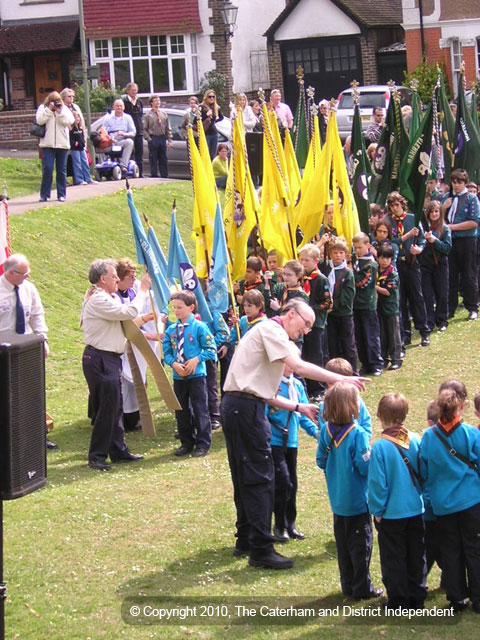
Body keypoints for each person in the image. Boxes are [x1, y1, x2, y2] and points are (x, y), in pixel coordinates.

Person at [221, 298, 368, 570]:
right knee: (260, 478)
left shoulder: (270, 335)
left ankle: (246, 539)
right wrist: (342, 379)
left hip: (241, 407)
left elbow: (267, 393)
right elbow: (298, 368)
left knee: (245, 475)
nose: (307, 331)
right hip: (245, 409)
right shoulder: (272, 330)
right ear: (290, 314)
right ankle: (261, 549)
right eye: (306, 324)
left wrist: (299, 406)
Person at [81, 259, 150, 470]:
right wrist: (143, 291)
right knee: (106, 409)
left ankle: (118, 451)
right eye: (114, 276)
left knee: (115, 407)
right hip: (100, 358)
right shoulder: (99, 299)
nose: (118, 280)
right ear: (103, 279)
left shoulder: (105, 296)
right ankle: (97, 456)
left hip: (109, 358)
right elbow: (128, 313)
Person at [317, 382, 382, 600]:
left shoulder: (326, 430)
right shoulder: (358, 434)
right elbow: (364, 467)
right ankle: (363, 588)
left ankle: (347, 585)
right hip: (357, 502)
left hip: (337, 501)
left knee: (343, 547)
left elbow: (320, 460)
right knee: (361, 547)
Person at [420, 380, 480, 613]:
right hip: (471, 501)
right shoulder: (470, 434)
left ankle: (456, 598)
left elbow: (424, 470)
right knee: (474, 548)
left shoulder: (428, 437)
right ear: (459, 408)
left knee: (451, 551)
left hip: (442, 505)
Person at [368, 393, 427, 611]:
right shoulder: (415, 439)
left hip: (391, 513)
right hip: (415, 507)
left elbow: (377, 484)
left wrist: (377, 510)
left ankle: (399, 600)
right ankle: (417, 596)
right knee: (416, 555)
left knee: (394, 558)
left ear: (380, 415)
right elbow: (424, 472)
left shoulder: (380, 447)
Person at [0, 253, 56, 449]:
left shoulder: (28, 289)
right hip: (4, 351)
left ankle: (38, 436)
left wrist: (43, 339)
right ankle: (10, 438)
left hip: (26, 348)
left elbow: (37, 315)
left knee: (32, 394)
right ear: (11, 273)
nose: (28, 277)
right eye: (25, 274)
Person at [268, 361, 318, 543]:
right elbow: (265, 414)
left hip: (292, 442)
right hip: (275, 441)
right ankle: (279, 525)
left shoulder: (296, 385)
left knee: (293, 484)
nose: (291, 366)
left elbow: (304, 414)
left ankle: (291, 524)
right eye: (287, 362)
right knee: (283, 483)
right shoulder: (271, 384)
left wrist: (316, 432)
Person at [162, 291, 217, 457]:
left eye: (180, 307)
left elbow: (211, 349)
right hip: (179, 376)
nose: (176, 311)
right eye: (174, 308)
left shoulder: (200, 327)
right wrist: (174, 364)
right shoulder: (172, 330)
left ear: (191, 307)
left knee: (200, 409)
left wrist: (196, 360)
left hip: (197, 376)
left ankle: (203, 443)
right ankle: (186, 442)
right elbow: (167, 352)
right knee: (181, 410)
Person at [385, 191, 430, 347]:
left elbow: (423, 240)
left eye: (397, 205)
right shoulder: (388, 222)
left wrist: (419, 249)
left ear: (402, 205)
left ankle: (424, 331)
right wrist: (407, 235)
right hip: (397, 264)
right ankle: (405, 334)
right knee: (401, 300)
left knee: (417, 297)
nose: (395, 208)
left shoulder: (412, 219)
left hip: (412, 262)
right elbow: (391, 241)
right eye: (392, 206)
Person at [441, 168, 480, 321]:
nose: (456, 185)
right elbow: (439, 222)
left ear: (465, 183)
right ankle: (450, 308)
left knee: (468, 275)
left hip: (467, 240)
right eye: (454, 182)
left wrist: (452, 227)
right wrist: (444, 209)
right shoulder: (447, 198)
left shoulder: (471, 199)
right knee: (450, 275)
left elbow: (474, 222)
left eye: (460, 182)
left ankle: (472, 307)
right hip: (451, 241)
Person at [298, 244, 332, 400]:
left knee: (316, 355)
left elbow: (327, 303)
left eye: (307, 260)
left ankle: (319, 388)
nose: (303, 263)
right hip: (301, 324)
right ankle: (308, 387)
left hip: (316, 323)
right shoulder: (301, 279)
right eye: (301, 260)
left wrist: (309, 308)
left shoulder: (320, 279)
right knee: (304, 355)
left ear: (316, 261)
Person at [324, 237, 358, 374]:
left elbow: (348, 296)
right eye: (335, 253)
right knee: (332, 343)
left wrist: (334, 306)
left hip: (344, 313)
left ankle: (353, 371)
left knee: (348, 344)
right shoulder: (326, 268)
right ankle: (335, 371)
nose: (338, 255)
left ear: (345, 254)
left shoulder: (347, 272)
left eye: (341, 253)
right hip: (330, 314)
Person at [352, 232, 383, 376]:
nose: (357, 250)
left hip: (367, 305)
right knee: (360, 336)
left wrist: (351, 275)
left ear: (368, 246)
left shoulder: (371, 264)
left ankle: (376, 363)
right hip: (356, 304)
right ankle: (365, 363)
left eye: (360, 247)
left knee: (371, 335)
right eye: (355, 248)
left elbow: (362, 283)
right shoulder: (355, 262)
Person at [36, 91, 74, 202]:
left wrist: (59, 112)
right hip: (47, 144)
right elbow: (39, 120)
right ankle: (44, 194)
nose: (56, 104)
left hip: (62, 144)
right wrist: (49, 110)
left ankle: (61, 194)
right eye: (53, 101)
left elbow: (69, 121)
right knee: (47, 168)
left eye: (58, 101)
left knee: (61, 170)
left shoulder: (64, 109)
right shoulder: (43, 108)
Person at [420, 200, 452, 332]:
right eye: (431, 211)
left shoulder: (444, 228)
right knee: (427, 294)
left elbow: (447, 248)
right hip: (425, 264)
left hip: (440, 263)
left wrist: (435, 241)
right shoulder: (423, 228)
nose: (434, 214)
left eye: (436, 211)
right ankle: (430, 320)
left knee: (442, 292)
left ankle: (442, 319)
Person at [376, 244, 403, 370]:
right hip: (379, 307)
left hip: (391, 308)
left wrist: (373, 286)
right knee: (382, 334)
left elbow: (387, 291)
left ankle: (396, 358)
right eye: (382, 258)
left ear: (391, 259)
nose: (384, 260)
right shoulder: (376, 271)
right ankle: (384, 358)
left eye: (387, 258)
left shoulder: (393, 274)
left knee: (393, 334)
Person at [102, 99, 136, 174]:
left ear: (123, 107)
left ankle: (123, 165)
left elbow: (133, 132)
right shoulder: (107, 119)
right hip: (110, 142)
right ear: (113, 107)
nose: (119, 108)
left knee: (129, 142)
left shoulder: (128, 118)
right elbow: (103, 132)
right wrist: (109, 139)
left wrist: (124, 134)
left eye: (121, 106)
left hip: (122, 141)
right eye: (117, 106)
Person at [143, 95, 173, 178]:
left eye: (159, 100)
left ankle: (164, 175)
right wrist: (149, 139)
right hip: (153, 138)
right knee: (153, 158)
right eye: (155, 100)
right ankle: (154, 175)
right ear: (151, 103)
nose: (158, 102)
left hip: (162, 138)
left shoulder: (164, 114)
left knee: (163, 158)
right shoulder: (148, 115)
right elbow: (144, 129)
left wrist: (169, 139)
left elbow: (168, 127)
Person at [123, 82, 144, 177]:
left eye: (135, 90)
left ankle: (140, 173)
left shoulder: (139, 102)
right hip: (129, 131)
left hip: (139, 130)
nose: (134, 92)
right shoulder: (124, 101)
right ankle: (128, 172)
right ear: (128, 91)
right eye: (132, 90)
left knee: (139, 152)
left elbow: (140, 115)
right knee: (130, 152)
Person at [69, 111, 96, 185]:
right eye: (75, 117)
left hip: (81, 148)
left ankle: (88, 178)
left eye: (78, 117)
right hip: (75, 148)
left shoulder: (80, 128)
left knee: (85, 162)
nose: (77, 119)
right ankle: (79, 179)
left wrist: (84, 144)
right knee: (77, 163)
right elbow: (70, 139)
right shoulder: (71, 129)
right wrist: (75, 143)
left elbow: (82, 137)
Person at [200, 89, 224, 160]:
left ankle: (211, 169)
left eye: (213, 97)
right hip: (205, 133)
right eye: (209, 97)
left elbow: (221, 117)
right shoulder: (201, 107)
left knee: (213, 154)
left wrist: (214, 121)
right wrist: (206, 116)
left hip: (214, 133)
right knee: (205, 154)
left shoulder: (216, 107)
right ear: (206, 97)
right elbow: (197, 121)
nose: (211, 98)